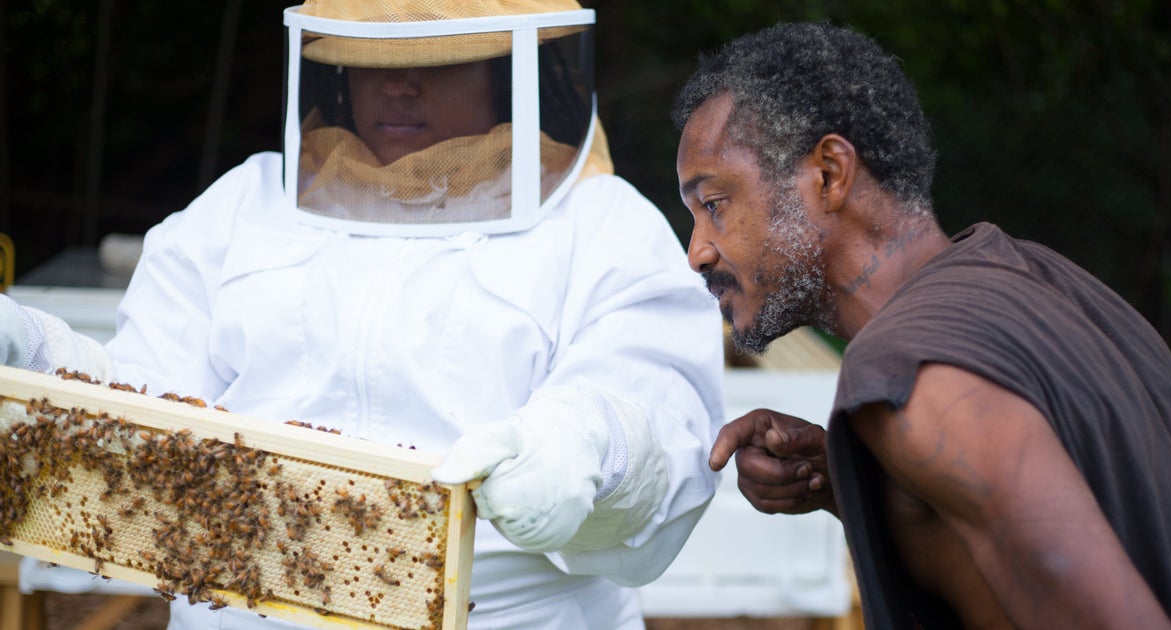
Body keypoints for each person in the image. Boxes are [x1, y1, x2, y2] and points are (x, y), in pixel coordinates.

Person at [0, 1, 725, 628]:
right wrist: (37, 362)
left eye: (438, 62)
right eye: (371, 59)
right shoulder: (242, 207)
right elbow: (145, 409)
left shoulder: (600, 224)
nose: (399, 85)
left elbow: (656, 408)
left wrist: (593, 444)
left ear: (505, 67)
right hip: (239, 616)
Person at [673, 21, 1171, 630]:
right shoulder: (1048, 281)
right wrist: (859, 491)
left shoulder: (914, 382)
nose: (698, 252)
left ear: (828, 173)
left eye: (714, 204)